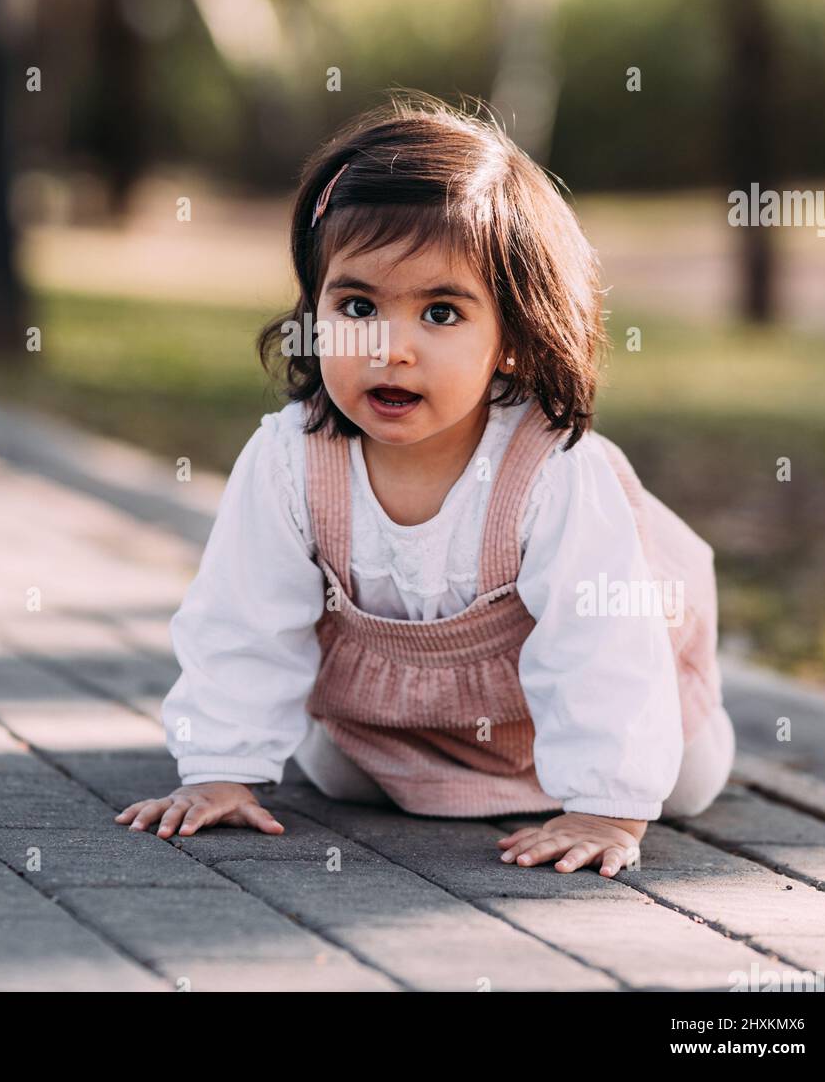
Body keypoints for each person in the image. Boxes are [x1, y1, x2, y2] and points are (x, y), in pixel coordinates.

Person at [115, 91, 735, 877]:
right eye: (358, 305)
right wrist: (221, 769)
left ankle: (620, 776)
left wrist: (608, 809)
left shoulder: (549, 470)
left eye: (441, 313)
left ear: (511, 337)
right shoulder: (292, 460)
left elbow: (603, 639)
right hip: (392, 736)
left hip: (566, 726)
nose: (392, 348)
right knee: (334, 772)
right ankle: (417, 775)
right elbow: (240, 616)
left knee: (682, 779)